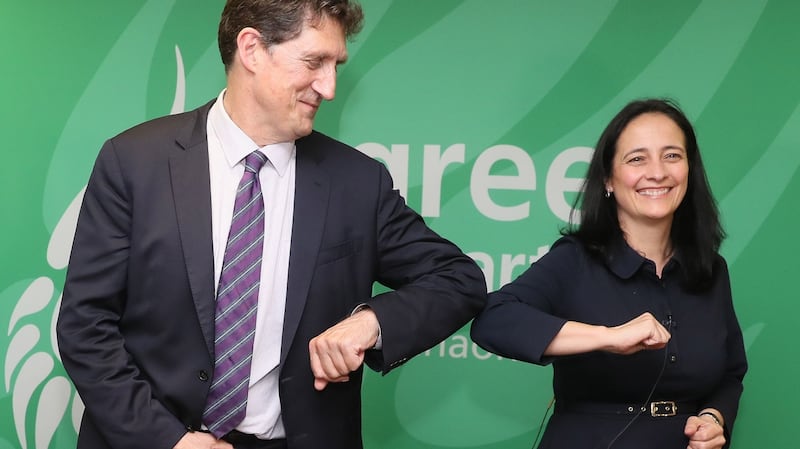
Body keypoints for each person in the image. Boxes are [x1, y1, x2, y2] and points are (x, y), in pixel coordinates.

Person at [56, 1, 486, 449]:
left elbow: (459, 279)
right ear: (252, 49)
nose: (330, 86)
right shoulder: (134, 163)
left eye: (336, 65)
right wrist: (170, 440)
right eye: (314, 61)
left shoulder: (356, 182)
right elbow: (85, 325)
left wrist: (371, 322)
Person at [470, 98, 747, 449]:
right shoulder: (574, 261)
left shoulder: (711, 269)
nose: (658, 172)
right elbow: (492, 320)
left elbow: (730, 373)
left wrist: (712, 418)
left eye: (672, 155)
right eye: (637, 159)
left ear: (689, 171)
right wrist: (607, 337)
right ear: (608, 179)